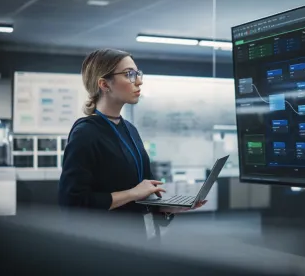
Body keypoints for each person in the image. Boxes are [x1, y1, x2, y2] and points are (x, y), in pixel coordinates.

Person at [58, 48, 205, 224]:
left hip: (139, 236)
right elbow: (72, 203)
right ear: (104, 84)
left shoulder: (129, 129)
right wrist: (132, 193)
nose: (139, 81)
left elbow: (141, 194)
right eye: (130, 74)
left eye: (138, 74)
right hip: (107, 243)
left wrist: (164, 207)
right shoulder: (85, 133)